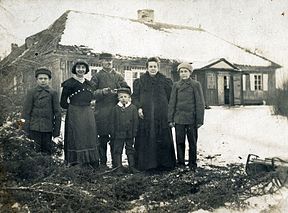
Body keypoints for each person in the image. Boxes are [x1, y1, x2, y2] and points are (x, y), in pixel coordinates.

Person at [132, 57, 176, 171]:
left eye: (155, 66)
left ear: (158, 68)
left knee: (162, 138)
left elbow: (171, 98)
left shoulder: (165, 81)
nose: (152, 69)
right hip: (145, 115)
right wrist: (138, 108)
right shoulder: (139, 81)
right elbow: (135, 97)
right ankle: (147, 165)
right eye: (150, 66)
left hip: (161, 115)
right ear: (147, 68)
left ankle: (164, 165)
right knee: (146, 137)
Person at [91, 53, 129, 169]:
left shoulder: (118, 76)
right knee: (102, 138)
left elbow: (127, 90)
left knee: (115, 138)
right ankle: (102, 163)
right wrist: (102, 92)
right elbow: (90, 93)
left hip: (115, 112)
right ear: (101, 62)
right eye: (106, 60)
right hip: (101, 112)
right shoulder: (96, 76)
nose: (108, 63)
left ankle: (116, 163)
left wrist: (119, 90)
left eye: (110, 61)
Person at [60, 60, 99, 168]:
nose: (81, 69)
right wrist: (73, 108)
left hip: (87, 113)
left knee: (89, 135)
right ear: (74, 69)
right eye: (78, 67)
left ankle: (89, 162)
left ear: (86, 70)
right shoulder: (69, 83)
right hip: (74, 113)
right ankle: (76, 162)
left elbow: (92, 98)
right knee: (76, 136)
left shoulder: (89, 84)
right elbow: (63, 103)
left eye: (83, 67)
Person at [168, 62, 205, 171]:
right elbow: (172, 102)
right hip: (179, 118)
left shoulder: (195, 85)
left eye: (186, 71)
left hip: (191, 119)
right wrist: (171, 118)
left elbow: (200, 103)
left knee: (192, 142)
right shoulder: (176, 85)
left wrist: (199, 120)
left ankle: (192, 163)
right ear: (179, 73)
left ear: (190, 73)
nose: (183, 74)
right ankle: (181, 162)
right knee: (180, 141)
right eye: (181, 72)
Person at [22, 67, 61, 155]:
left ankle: (47, 168)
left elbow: (58, 113)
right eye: (40, 78)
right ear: (36, 79)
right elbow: (25, 112)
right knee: (34, 152)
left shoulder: (53, 93)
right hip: (34, 128)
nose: (43, 81)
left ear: (49, 80)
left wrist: (56, 131)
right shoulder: (31, 92)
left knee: (47, 152)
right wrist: (24, 129)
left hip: (48, 128)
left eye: (45, 78)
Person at [110, 88, 139, 173]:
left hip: (129, 133)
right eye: (121, 97)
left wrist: (134, 132)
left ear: (129, 98)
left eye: (125, 96)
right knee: (118, 150)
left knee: (130, 149)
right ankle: (118, 167)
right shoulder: (115, 109)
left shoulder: (133, 108)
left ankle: (132, 167)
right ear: (118, 98)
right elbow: (112, 122)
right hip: (119, 133)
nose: (123, 99)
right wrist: (113, 133)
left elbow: (135, 121)